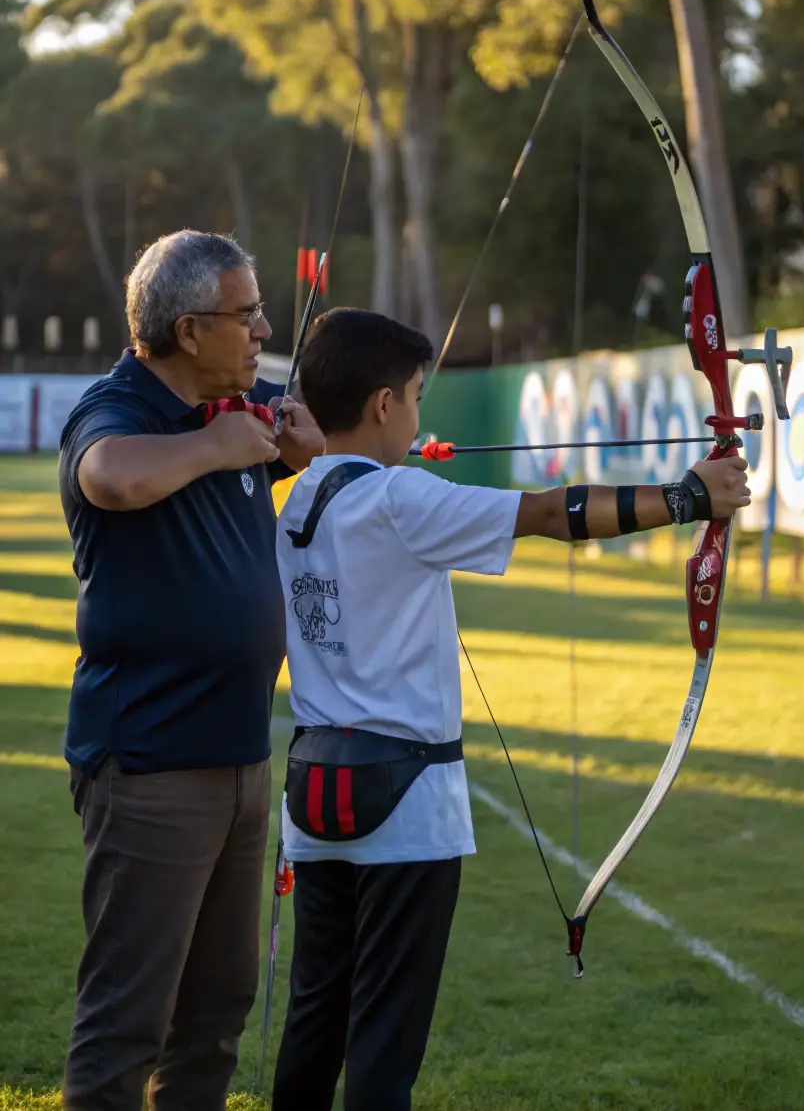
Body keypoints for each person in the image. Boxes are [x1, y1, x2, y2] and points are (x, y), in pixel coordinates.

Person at [270, 307, 750, 1111]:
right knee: (384, 1047)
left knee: (314, 1022)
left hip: (314, 800)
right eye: (416, 397)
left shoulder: (294, 498)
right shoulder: (399, 501)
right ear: (384, 404)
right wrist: (687, 496)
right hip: (405, 814)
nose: (420, 415)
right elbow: (543, 513)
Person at [58, 230, 325, 1111]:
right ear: (186, 330)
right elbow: (112, 479)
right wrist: (226, 447)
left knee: (215, 1013)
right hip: (150, 766)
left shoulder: (235, 405)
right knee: (129, 1021)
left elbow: (288, 446)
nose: (261, 330)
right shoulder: (119, 407)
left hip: (240, 760)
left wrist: (293, 448)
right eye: (245, 315)